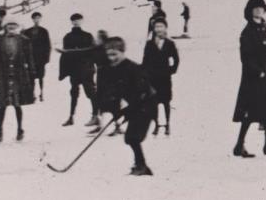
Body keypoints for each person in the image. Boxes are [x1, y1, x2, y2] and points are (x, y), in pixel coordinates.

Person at [97, 36, 158, 176]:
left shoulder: (134, 68)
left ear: (123, 52)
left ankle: (142, 167)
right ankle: (141, 165)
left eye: (114, 54)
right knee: (131, 138)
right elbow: (115, 92)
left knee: (132, 137)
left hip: (146, 104)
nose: (111, 58)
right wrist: (116, 110)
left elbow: (142, 92)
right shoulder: (111, 69)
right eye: (109, 55)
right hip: (134, 105)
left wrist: (127, 110)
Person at [232, 0, 266, 158]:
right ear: (250, 11)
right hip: (253, 80)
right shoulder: (247, 32)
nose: (259, 11)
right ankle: (239, 145)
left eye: (261, 8)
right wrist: (258, 72)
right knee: (250, 113)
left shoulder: (264, 29)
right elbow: (246, 57)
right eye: (255, 8)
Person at [0, 19, 36, 142]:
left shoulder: (24, 40)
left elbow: (30, 57)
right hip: (3, 76)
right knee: (2, 105)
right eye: (9, 25)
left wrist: (32, 73)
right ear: (5, 27)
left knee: (17, 104)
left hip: (19, 75)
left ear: (17, 27)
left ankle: (20, 130)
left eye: (14, 25)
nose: (11, 27)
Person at [58, 13, 98, 127]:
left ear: (82, 21)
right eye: (74, 20)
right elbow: (66, 54)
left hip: (86, 68)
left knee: (90, 92)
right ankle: (71, 117)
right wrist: (65, 71)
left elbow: (93, 52)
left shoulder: (88, 35)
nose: (76, 22)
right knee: (74, 92)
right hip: (74, 69)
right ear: (71, 22)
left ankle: (95, 115)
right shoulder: (67, 37)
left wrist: (93, 65)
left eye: (78, 20)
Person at [142, 21, 180, 135]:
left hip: (164, 78)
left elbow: (176, 59)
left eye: (161, 26)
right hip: (152, 78)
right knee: (154, 102)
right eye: (156, 27)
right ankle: (157, 124)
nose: (158, 29)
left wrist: (172, 70)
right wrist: (144, 74)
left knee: (166, 101)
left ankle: (167, 124)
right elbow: (145, 60)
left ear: (165, 28)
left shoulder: (170, 43)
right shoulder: (149, 44)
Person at [23, 12, 52, 101]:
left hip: (41, 58)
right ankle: (32, 94)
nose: (37, 20)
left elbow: (48, 45)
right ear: (32, 19)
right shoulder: (27, 31)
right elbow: (24, 45)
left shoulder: (44, 31)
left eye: (38, 18)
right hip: (31, 58)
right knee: (31, 77)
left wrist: (46, 58)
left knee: (41, 77)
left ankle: (41, 93)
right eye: (35, 18)